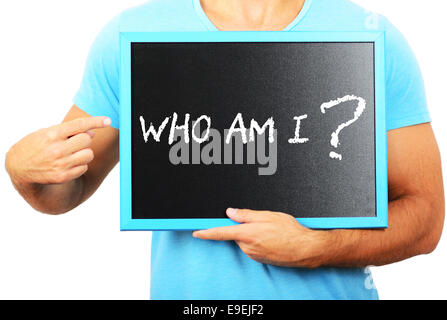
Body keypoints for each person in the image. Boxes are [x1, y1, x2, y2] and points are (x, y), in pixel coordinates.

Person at [5, 0, 444, 300]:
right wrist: (22, 170)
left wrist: (317, 247)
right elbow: (66, 191)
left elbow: (425, 219)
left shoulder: (366, 34)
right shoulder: (134, 34)